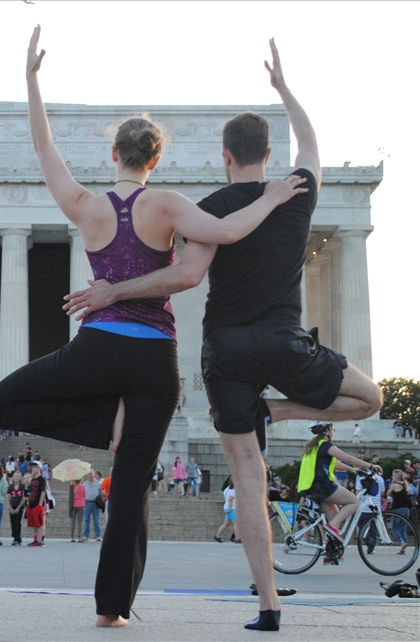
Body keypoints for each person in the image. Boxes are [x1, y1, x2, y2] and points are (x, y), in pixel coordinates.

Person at [0, 28, 306, 629]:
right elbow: (229, 232)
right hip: (157, 359)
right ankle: (113, 611)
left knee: (1, 403)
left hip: (98, 349)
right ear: (155, 160)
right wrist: (274, 198)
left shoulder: (86, 205)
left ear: (115, 157)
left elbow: (43, 148)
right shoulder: (170, 205)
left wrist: (31, 82)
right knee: (131, 487)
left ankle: (105, 421)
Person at [62, 40, 383, 632]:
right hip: (285, 341)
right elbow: (312, 143)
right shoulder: (295, 193)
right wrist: (286, 89)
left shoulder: (211, 207)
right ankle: (278, 411)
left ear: (226, 155)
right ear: (267, 152)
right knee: (371, 398)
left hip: (226, 351)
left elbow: (185, 276)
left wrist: (114, 290)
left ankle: (268, 605)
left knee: (249, 478)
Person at [297, 422, 379, 563]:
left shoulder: (313, 447)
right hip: (324, 485)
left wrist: (352, 470)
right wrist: (371, 465)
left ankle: (331, 554)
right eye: (333, 429)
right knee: (354, 502)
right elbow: (349, 458)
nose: (334, 432)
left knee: (335, 516)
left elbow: (332, 463)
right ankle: (332, 527)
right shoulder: (327, 445)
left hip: (312, 487)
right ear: (328, 431)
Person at [385, 470, 412, 554]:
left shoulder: (394, 485)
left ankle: (401, 542)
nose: (392, 477)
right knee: (402, 528)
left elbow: (387, 494)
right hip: (406, 509)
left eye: (393, 476)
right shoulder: (405, 484)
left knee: (394, 527)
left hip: (398, 509)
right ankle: (404, 545)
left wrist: (391, 485)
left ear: (396, 477)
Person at [82, 470, 102, 541]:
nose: (90, 475)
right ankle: (85, 535)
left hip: (95, 503)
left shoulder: (98, 483)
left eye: (92, 474)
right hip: (87, 503)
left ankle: (98, 535)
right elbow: (82, 493)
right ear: (87, 475)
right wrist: (83, 500)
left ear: (94, 474)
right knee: (86, 519)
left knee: (96, 520)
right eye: (89, 474)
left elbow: (101, 493)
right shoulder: (84, 484)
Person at [70, 477, 86, 542]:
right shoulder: (83, 487)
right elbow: (84, 496)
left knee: (73, 521)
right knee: (80, 521)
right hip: (81, 504)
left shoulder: (71, 487)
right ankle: (79, 537)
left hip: (73, 505)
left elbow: (70, 495)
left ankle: (72, 537)